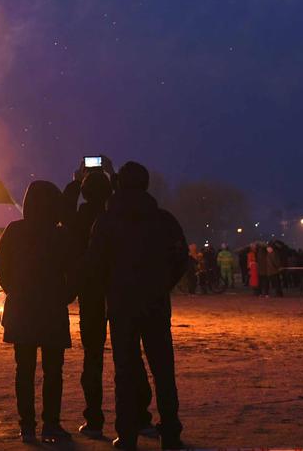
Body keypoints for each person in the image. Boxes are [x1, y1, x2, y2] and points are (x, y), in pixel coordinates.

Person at [86, 162, 187, 451]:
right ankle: (170, 434)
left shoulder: (105, 221)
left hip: (121, 307)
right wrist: (162, 284)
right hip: (155, 304)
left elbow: (95, 264)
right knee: (163, 370)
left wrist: (111, 288)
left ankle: (127, 436)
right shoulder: (164, 220)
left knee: (125, 371)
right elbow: (180, 258)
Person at [0, 181, 75, 443]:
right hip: (52, 309)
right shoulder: (61, 235)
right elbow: (74, 270)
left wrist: (14, 291)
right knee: (54, 371)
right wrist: (65, 296)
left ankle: (27, 426)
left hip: (23, 310)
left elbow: (0, 267)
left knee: (24, 370)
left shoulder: (14, 230)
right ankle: (51, 424)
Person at [66, 169, 112, 438]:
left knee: (92, 358)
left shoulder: (80, 219)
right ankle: (139, 418)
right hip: (120, 293)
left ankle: (94, 420)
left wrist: (75, 182)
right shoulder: (118, 217)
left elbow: (63, 214)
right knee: (129, 359)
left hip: (91, 295)